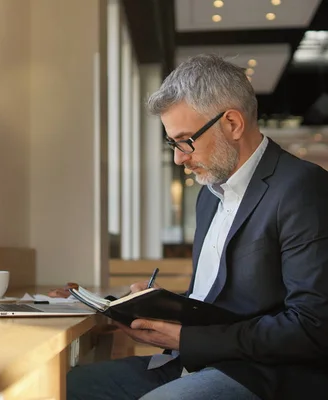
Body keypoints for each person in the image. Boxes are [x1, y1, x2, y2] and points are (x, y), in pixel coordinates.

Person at [66, 54, 328, 400]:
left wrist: (185, 339)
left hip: (263, 374)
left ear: (232, 124)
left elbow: (312, 327)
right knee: (65, 387)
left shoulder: (301, 187)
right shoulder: (210, 197)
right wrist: (156, 304)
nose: (178, 157)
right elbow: (216, 301)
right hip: (196, 362)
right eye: (172, 143)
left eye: (185, 140)